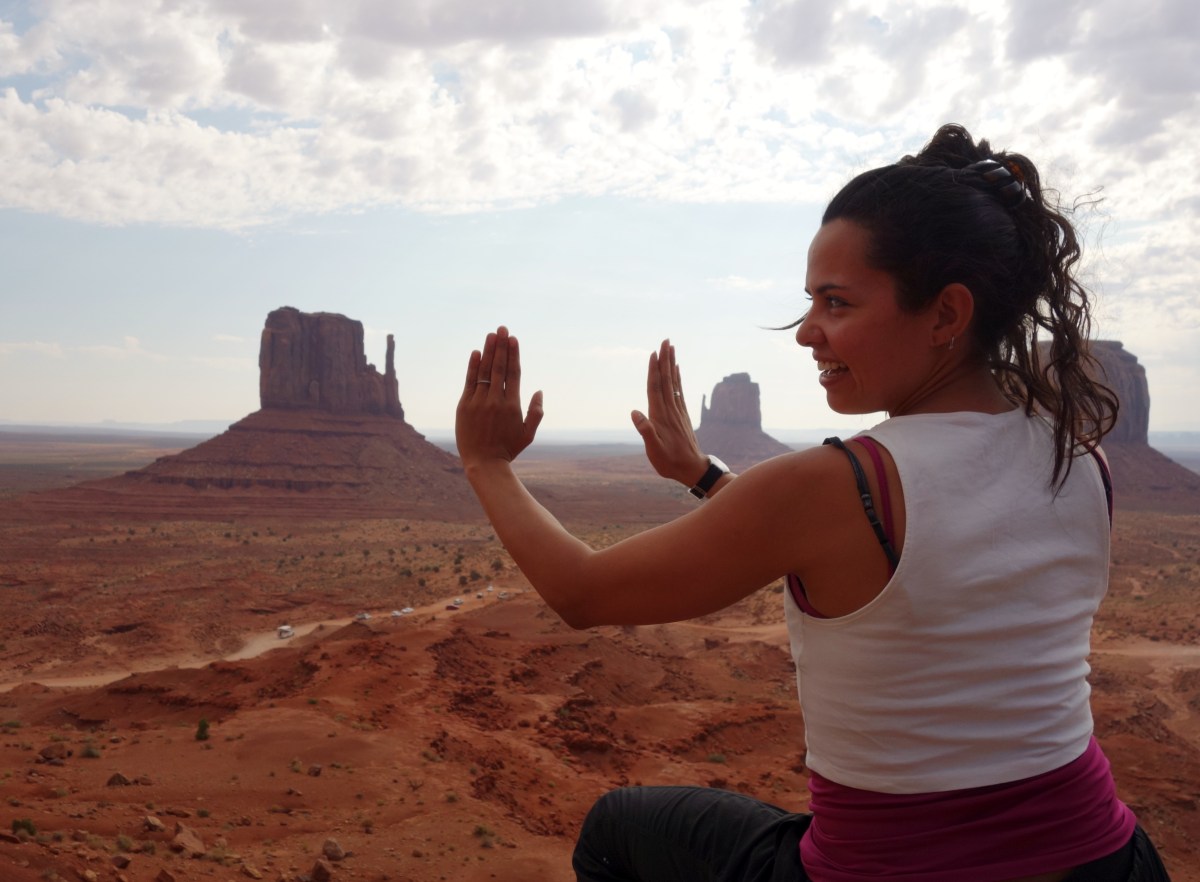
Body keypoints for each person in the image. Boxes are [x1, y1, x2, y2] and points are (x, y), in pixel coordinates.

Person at [453, 124, 1171, 881]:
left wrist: (487, 462)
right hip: (1106, 860)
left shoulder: (836, 483)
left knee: (615, 831)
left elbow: (582, 592)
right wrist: (704, 476)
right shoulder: (1079, 458)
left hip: (890, 870)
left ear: (947, 315)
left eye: (835, 302)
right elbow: (904, 560)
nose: (806, 334)